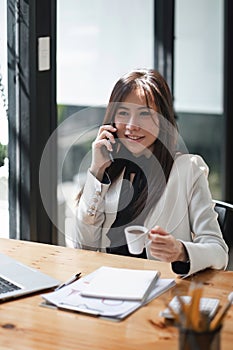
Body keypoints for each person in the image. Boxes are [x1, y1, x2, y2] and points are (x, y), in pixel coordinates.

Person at [72, 68, 228, 276]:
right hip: (105, 285)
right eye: (123, 113)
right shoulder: (112, 169)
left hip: (159, 292)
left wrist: (181, 252)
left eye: (144, 114)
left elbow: (219, 252)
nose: (131, 126)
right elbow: (83, 246)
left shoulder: (187, 169)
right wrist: (97, 171)